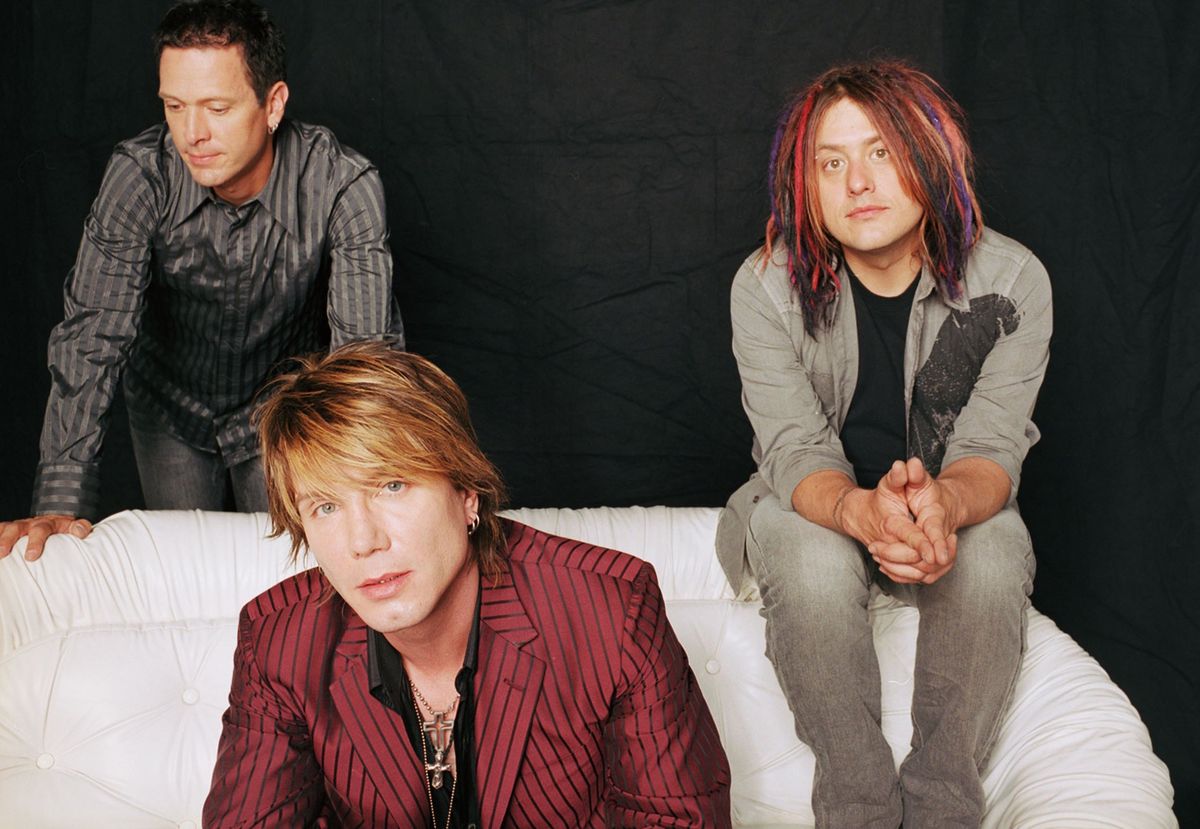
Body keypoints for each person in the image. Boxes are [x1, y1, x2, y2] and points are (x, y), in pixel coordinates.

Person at [202, 341, 732, 827]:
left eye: (392, 485)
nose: (362, 541)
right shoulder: (277, 642)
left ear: (466, 492)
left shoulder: (611, 611)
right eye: (325, 506)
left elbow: (678, 820)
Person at [716, 59, 1051, 827]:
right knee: (805, 550)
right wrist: (859, 511)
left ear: (931, 156)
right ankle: (858, 804)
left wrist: (945, 503)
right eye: (831, 163)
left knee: (996, 545)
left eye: (881, 151)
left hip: (941, 513)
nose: (858, 183)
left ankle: (942, 805)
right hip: (815, 511)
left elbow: (994, 445)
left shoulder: (1013, 279)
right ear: (806, 185)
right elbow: (794, 447)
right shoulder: (764, 285)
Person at [0, 0, 402, 561]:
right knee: (188, 574)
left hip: (282, 409)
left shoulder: (342, 185)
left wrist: (362, 491)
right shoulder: (140, 176)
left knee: (291, 573)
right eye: (174, 106)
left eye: (217, 107)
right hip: (171, 412)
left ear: (273, 104)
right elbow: (92, 335)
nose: (192, 134)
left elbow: (364, 356)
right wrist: (59, 499)